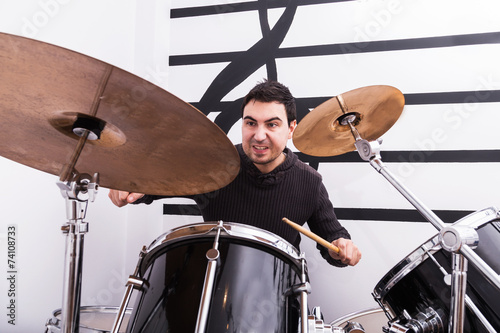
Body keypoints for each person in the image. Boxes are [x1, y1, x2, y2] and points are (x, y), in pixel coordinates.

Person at [109, 80, 361, 267]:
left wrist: (341, 247)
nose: (259, 135)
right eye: (251, 123)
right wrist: (131, 187)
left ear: (291, 128)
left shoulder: (309, 182)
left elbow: (333, 239)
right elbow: (157, 181)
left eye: (272, 124)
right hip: (212, 284)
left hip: (276, 296)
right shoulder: (216, 162)